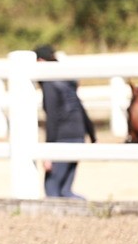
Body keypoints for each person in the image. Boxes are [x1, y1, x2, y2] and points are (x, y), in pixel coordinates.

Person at [35, 44, 96, 199]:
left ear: (40, 61)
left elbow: (53, 119)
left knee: (52, 189)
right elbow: (80, 107)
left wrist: (47, 152)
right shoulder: (67, 80)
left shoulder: (50, 83)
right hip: (78, 135)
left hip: (62, 137)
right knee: (65, 191)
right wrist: (92, 134)